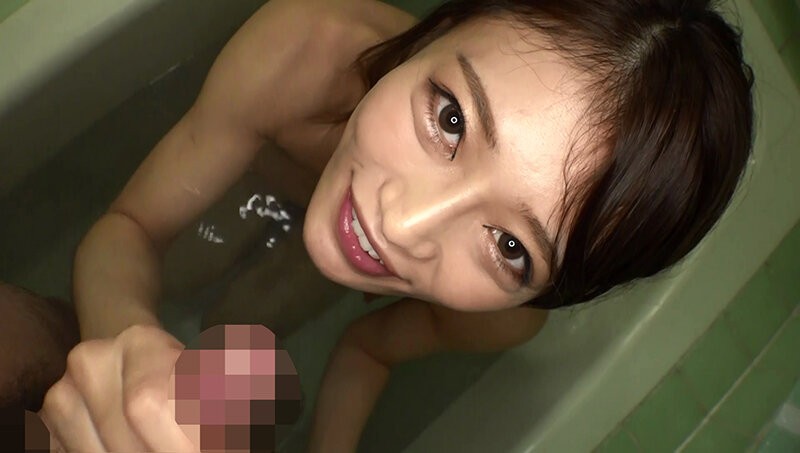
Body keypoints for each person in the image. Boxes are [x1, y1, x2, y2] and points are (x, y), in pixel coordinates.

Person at [35, 0, 754, 451]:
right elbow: (129, 227)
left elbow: (366, 350)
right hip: (243, 194)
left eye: (510, 246)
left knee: (249, 359)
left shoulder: (504, 318)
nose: (405, 225)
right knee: (182, 282)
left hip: (291, 286)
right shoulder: (303, 49)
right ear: (434, 31)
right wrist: (134, 352)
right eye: (450, 118)